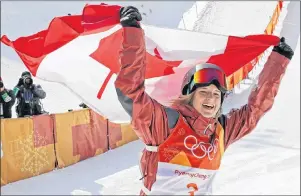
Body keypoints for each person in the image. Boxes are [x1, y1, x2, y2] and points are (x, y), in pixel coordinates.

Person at [114, 6, 294, 195]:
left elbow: (255, 110)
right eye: (204, 92)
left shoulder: (221, 131)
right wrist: (133, 33)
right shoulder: (166, 123)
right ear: (190, 95)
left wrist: (279, 61)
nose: (211, 98)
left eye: (217, 94)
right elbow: (130, 92)